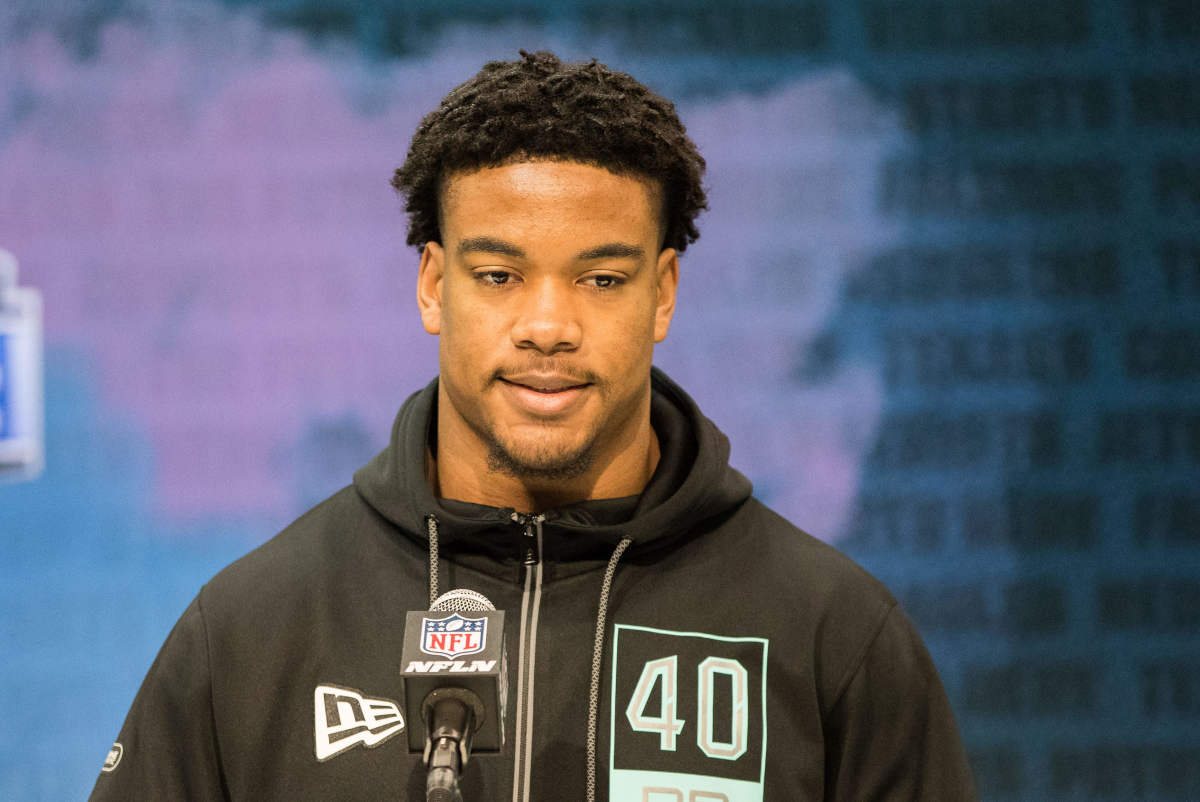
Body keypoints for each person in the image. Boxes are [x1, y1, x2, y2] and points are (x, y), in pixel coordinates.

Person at [90, 50, 976, 801]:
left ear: (662, 293)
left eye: (601, 278)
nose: (548, 326)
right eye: (501, 275)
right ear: (435, 286)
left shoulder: (832, 635)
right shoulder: (254, 630)